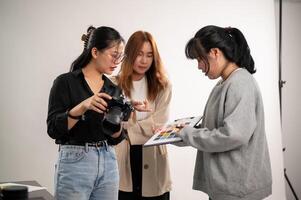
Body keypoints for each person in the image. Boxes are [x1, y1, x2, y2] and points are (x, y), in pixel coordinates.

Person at [177, 25, 272, 200]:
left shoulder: (240, 82)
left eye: (200, 59)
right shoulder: (224, 84)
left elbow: (233, 135)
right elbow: (212, 129)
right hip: (227, 186)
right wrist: (179, 134)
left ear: (214, 52)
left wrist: (189, 134)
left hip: (237, 188)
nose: (199, 66)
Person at [47, 26, 127, 200]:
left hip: (109, 160)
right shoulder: (65, 82)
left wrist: (118, 120)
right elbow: (53, 129)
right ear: (95, 52)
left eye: (120, 56)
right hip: (75, 161)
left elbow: (116, 137)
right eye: (114, 55)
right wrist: (82, 106)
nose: (117, 61)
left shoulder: (114, 89)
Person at [114, 31, 172, 200]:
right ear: (129, 54)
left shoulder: (163, 86)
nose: (144, 60)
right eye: (139, 54)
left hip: (153, 156)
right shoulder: (113, 84)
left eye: (149, 55)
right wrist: (146, 125)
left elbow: (159, 124)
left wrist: (127, 128)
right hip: (124, 157)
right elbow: (111, 124)